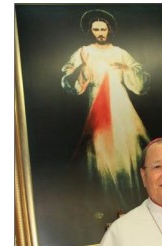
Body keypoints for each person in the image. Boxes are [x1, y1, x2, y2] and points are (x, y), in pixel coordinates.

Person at [61, 9, 151, 195]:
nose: (100, 33)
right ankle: (105, 193)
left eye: (103, 29)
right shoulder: (84, 51)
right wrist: (83, 66)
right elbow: (68, 81)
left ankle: (128, 191)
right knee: (99, 144)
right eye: (96, 29)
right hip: (96, 102)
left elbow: (140, 80)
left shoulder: (120, 52)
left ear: (109, 30)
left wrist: (125, 68)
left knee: (126, 142)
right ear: (90, 31)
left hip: (120, 104)